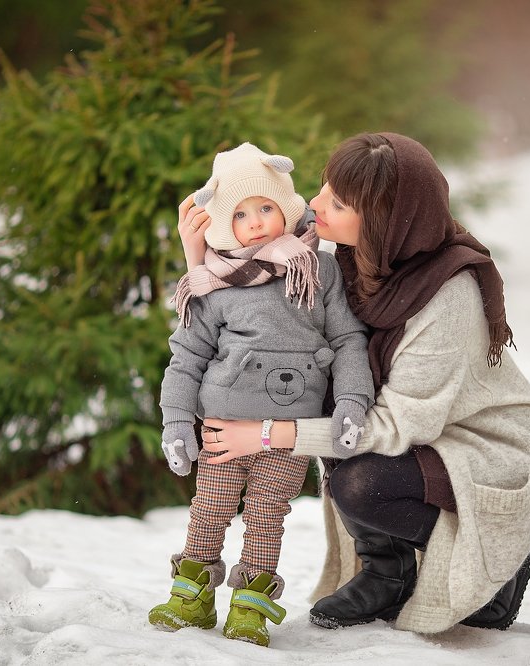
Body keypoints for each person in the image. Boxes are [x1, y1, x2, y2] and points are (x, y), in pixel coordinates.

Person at [192, 132, 530, 635]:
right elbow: (254, 304)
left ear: (386, 223)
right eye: (324, 186)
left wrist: (269, 434)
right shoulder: (354, 257)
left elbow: (394, 424)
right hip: (429, 433)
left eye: (337, 202)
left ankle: (500, 559)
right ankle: (387, 573)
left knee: (362, 483)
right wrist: (197, 250)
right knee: (327, 382)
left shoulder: (446, 296)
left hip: (491, 452)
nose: (315, 204)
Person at [149, 143, 374, 646]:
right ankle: (193, 595)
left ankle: (250, 604)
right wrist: (176, 422)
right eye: (241, 214)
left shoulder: (319, 269)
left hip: (285, 432)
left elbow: (347, 341)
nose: (255, 222)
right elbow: (185, 357)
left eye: (265, 208)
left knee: (268, 515)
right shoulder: (213, 283)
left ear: (287, 206)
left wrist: (352, 402)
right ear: (226, 224)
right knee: (210, 509)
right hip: (222, 430)